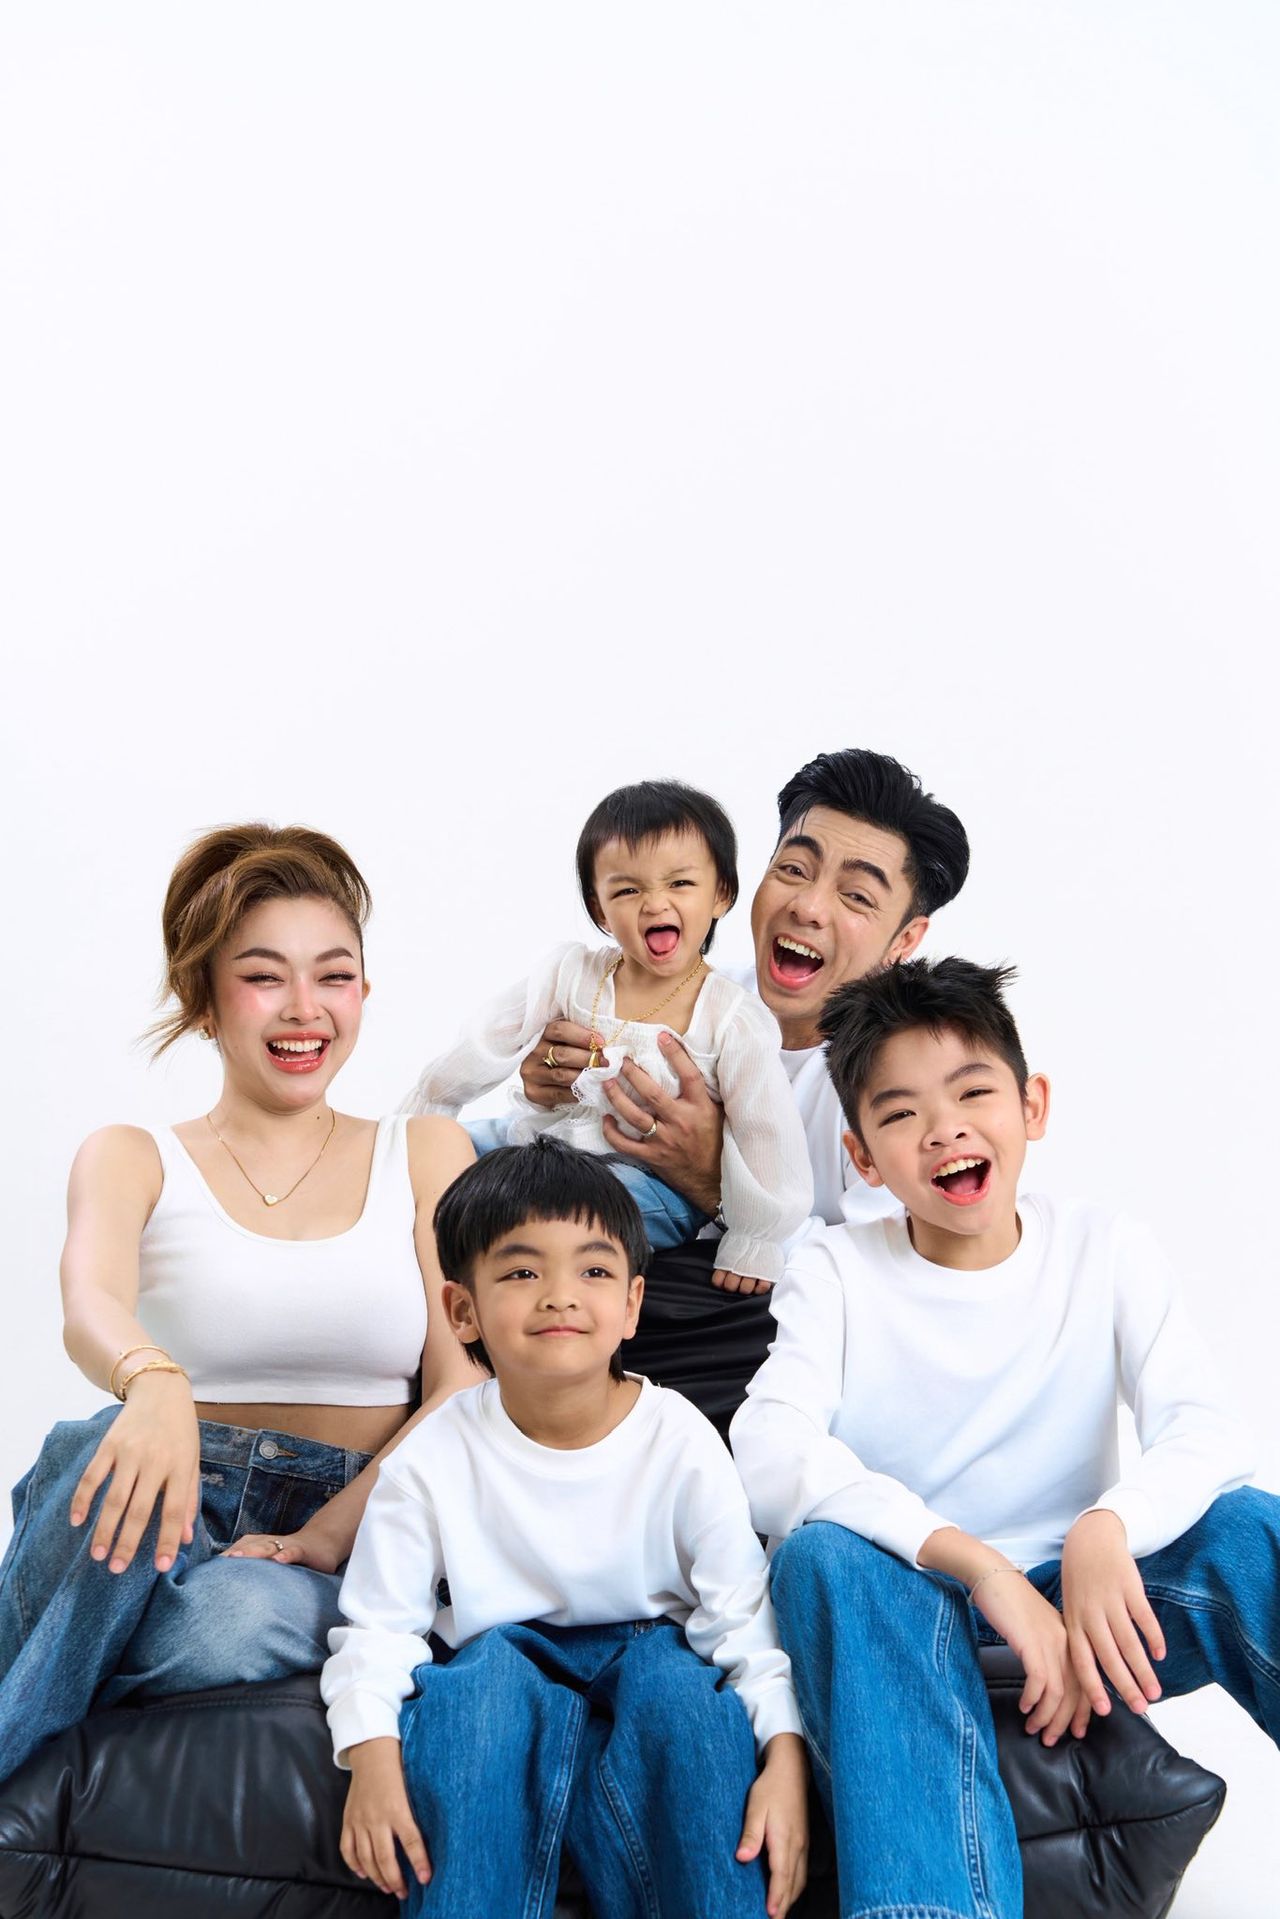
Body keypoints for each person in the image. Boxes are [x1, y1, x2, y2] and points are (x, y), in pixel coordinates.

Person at [730, 957, 1268, 1919]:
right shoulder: (836, 1268)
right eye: (901, 1114)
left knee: (1246, 1530)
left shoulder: (1105, 1246)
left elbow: (1205, 1428)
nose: (944, 1129)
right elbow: (768, 1446)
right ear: (862, 1157)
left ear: (1032, 1105)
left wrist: (1106, 1527)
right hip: (906, 1616)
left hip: (1088, 1615)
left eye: (973, 1092)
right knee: (819, 1558)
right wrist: (976, 1566)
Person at [0, 824, 476, 1784]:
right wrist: (155, 1384)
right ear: (205, 999)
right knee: (96, 1455)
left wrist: (320, 1538)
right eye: (264, 976)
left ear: (364, 991)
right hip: (162, 1486)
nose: (305, 1009)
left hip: (351, 1515)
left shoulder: (425, 1151)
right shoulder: (132, 1154)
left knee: (238, 1618)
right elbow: (89, 1302)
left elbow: (459, 1388)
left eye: (334, 976)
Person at [322, 1138, 809, 1919]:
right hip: (499, 1651)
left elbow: (743, 1620)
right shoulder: (431, 1454)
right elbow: (379, 1627)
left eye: (594, 1271)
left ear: (633, 1304)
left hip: (657, 1642)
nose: (560, 1296)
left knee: (688, 1707)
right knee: (469, 1708)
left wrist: (784, 1756)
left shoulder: (679, 1436)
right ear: (462, 1310)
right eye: (522, 1272)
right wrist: (372, 1758)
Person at [513, 750, 971, 1428]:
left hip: (746, 1350)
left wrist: (717, 1183)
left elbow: (894, 1292)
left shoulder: (901, 1078)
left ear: (905, 938)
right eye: (793, 870)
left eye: (856, 896)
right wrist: (542, 1086)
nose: (807, 907)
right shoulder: (682, 992)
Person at [402, 779, 812, 1292]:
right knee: (438, 1151)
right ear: (599, 909)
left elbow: (766, 1133)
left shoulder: (731, 1018)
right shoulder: (573, 974)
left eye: (680, 883)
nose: (655, 904)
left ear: (721, 894)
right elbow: (492, 1036)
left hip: (647, 1183)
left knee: (561, 1215)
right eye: (627, 890)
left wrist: (756, 1236)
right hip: (542, 1147)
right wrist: (433, 1105)